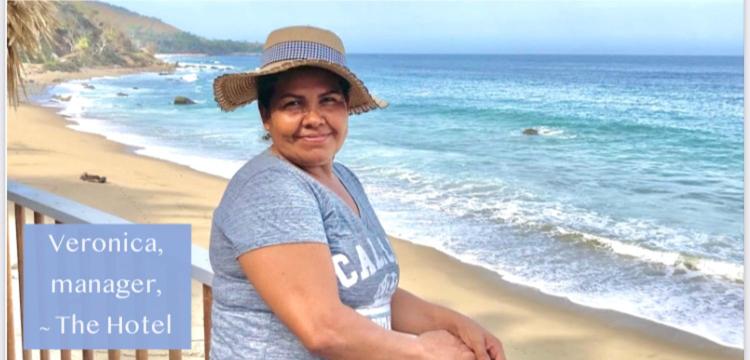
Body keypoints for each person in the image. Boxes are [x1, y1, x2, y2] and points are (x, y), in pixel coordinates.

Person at [210, 25, 506, 359]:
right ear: (266, 116)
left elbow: (372, 294)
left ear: (346, 108)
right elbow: (323, 329)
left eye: (329, 101)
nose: (314, 118)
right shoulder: (269, 188)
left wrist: (453, 322)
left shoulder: (343, 178)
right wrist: (425, 352)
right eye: (293, 104)